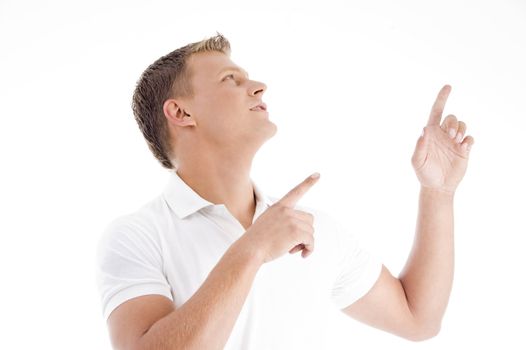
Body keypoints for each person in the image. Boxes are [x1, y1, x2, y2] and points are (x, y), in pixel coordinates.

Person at [95, 33, 475, 349]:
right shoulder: (137, 235)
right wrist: (253, 248)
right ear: (181, 113)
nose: (258, 86)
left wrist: (438, 194)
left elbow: (417, 318)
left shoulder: (311, 229)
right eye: (230, 79)